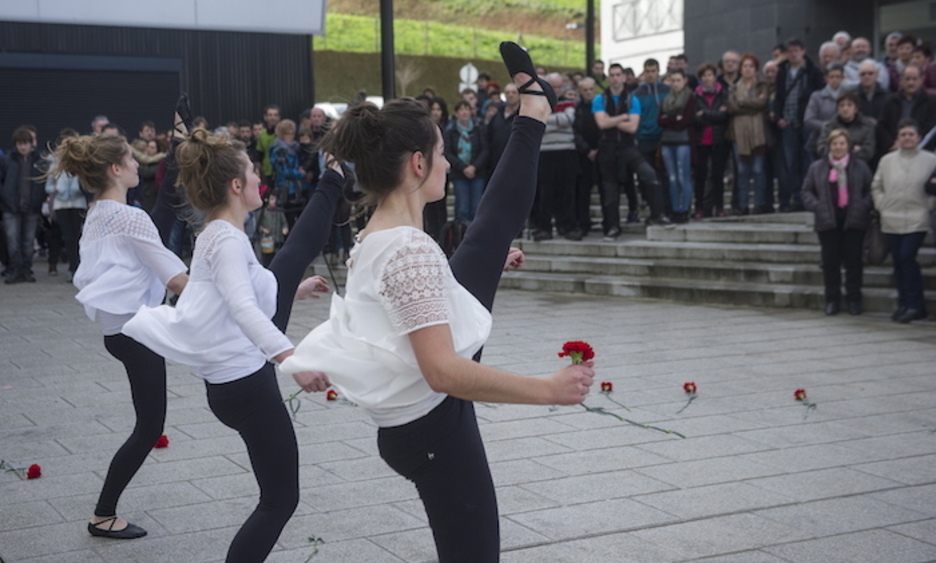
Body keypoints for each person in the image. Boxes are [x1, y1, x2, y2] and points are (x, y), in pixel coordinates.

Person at [280, 42, 594, 562]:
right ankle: (533, 112)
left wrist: (469, 269)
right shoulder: (409, 251)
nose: (450, 163)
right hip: (433, 426)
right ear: (420, 163)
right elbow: (444, 372)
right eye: (444, 153)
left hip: (419, 423)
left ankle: (534, 110)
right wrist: (548, 389)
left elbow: (395, 303)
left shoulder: (379, 234)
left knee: (489, 235)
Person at [123, 128, 343, 562]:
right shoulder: (227, 239)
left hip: (234, 385)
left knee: (277, 498)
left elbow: (222, 296)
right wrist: (293, 361)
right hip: (247, 387)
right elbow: (241, 308)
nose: (260, 178)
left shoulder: (215, 235)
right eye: (252, 171)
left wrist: (290, 292)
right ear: (236, 186)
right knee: (280, 501)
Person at [46, 133, 188, 539]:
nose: (136, 165)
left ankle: (104, 511)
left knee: (148, 424)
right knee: (149, 427)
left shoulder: (100, 213)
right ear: (115, 169)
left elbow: (160, 212)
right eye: (130, 158)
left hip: (120, 333)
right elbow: (178, 280)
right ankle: (103, 514)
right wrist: (233, 302)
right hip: (138, 333)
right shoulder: (129, 218)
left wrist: (177, 144)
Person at [801, 129, 873, 315]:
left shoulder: (860, 166)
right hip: (828, 222)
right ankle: (832, 300)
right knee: (830, 263)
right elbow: (806, 191)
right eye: (834, 144)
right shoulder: (817, 167)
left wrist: (863, 205)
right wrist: (817, 206)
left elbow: (870, 189)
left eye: (842, 143)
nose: (838, 147)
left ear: (848, 145)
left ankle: (854, 300)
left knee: (854, 263)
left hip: (854, 221)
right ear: (829, 146)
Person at [871, 120, 936, 323]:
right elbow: (876, 185)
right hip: (891, 218)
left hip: (917, 218)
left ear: (918, 137)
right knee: (898, 261)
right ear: (898, 138)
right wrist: (882, 205)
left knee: (907, 257)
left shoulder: (930, 160)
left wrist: (929, 205)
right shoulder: (887, 160)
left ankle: (916, 304)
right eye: (903, 135)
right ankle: (904, 302)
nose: (907, 138)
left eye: (911, 134)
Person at [593, 63, 668, 238]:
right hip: (608, 148)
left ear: (624, 77)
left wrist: (611, 120)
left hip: (627, 147)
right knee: (610, 189)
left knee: (649, 174)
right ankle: (612, 226)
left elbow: (632, 127)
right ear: (608, 77)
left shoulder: (632, 99)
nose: (615, 78)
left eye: (618, 74)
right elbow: (601, 124)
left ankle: (658, 214)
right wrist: (622, 117)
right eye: (611, 75)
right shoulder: (600, 99)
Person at [774, 38, 825, 211]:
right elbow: (779, 96)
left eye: (796, 50)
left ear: (803, 51)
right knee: (791, 163)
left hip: (807, 122)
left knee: (809, 161)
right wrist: (778, 117)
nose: (793, 54)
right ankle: (796, 199)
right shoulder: (782, 71)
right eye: (790, 51)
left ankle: (810, 197)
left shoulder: (812, 71)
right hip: (788, 122)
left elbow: (819, 93)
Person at [532, 73, 581, 241]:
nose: (557, 90)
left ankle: (567, 226)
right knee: (545, 193)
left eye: (559, 87)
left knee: (566, 192)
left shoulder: (568, 103)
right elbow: (537, 124)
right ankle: (544, 228)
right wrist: (554, 122)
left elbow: (568, 119)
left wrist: (546, 120)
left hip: (566, 151)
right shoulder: (538, 104)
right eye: (553, 86)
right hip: (545, 153)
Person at [1, 126, 46, 284]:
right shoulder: (7, 159)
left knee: (28, 241)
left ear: (31, 143)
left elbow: (42, 183)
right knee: (12, 241)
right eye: (20, 143)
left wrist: (38, 200)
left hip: (32, 207)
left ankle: (26, 270)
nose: (23, 147)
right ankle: (15, 270)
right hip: (11, 207)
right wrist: (5, 200)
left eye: (25, 143)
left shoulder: (39, 160)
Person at [728, 53, 771, 215]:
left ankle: (759, 204)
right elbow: (732, 107)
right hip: (738, 132)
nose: (747, 69)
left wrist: (743, 102)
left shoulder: (762, 85)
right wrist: (752, 105)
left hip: (758, 131)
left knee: (759, 170)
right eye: (745, 66)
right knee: (742, 171)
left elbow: (762, 103)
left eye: (751, 66)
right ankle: (743, 204)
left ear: (755, 69)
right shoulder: (733, 87)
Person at [44, 128, 88, 282]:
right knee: (68, 236)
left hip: (78, 202)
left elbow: (87, 182)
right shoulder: (55, 162)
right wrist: (56, 189)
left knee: (78, 235)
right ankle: (72, 266)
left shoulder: (82, 161)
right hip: (61, 204)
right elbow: (48, 186)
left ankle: (78, 266)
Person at [657, 68, 695, 222]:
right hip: (667, 141)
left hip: (683, 141)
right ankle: (675, 209)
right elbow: (660, 120)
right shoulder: (667, 99)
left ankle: (685, 209)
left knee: (682, 176)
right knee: (671, 177)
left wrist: (670, 119)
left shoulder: (690, 98)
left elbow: (686, 120)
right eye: (673, 81)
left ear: (684, 80)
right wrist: (675, 119)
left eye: (679, 80)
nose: (676, 84)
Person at [694, 63, 730, 218]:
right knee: (700, 176)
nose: (707, 78)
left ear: (715, 77)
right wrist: (713, 115)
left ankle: (719, 207)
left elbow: (724, 116)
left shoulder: (723, 93)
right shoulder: (695, 96)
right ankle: (700, 207)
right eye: (704, 76)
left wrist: (705, 114)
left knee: (717, 175)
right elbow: (695, 118)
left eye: (710, 75)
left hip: (718, 139)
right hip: (701, 140)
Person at [444, 100, 489, 222]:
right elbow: (447, 152)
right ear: (456, 113)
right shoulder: (450, 131)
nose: (464, 112)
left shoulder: (478, 129)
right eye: (461, 109)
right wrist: (463, 167)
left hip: (477, 173)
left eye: (467, 109)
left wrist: (474, 166)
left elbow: (485, 149)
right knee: (462, 208)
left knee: (476, 207)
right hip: (459, 173)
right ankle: (461, 235)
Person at [877, 65, 936, 154]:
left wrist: (913, 143)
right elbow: (881, 125)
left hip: (922, 151)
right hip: (894, 150)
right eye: (907, 79)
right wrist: (891, 144)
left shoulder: (932, 102)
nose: (910, 83)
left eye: (914, 79)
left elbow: (931, 128)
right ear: (901, 80)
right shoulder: (890, 101)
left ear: (921, 79)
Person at [816, 91, 876, 162]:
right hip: (832, 164)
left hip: (858, 166)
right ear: (838, 108)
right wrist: (853, 149)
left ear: (856, 108)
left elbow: (868, 152)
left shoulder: (867, 125)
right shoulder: (829, 126)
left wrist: (838, 150)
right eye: (842, 105)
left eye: (849, 105)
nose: (845, 108)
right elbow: (821, 148)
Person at [804, 63, 846, 157]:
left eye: (838, 76)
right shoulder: (817, 96)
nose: (835, 79)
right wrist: (828, 126)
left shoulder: (849, 95)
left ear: (843, 78)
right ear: (826, 78)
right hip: (820, 142)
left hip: (843, 143)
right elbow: (808, 120)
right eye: (831, 77)